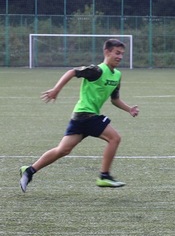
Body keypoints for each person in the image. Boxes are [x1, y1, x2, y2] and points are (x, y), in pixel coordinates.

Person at [19, 38, 139, 192]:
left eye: (122, 54)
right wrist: (56, 90)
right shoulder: (97, 70)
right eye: (117, 53)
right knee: (114, 138)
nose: (120, 57)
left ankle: (29, 170)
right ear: (107, 52)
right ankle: (104, 176)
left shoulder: (117, 75)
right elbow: (72, 72)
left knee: (62, 150)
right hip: (85, 114)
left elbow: (115, 99)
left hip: (83, 117)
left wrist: (129, 109)